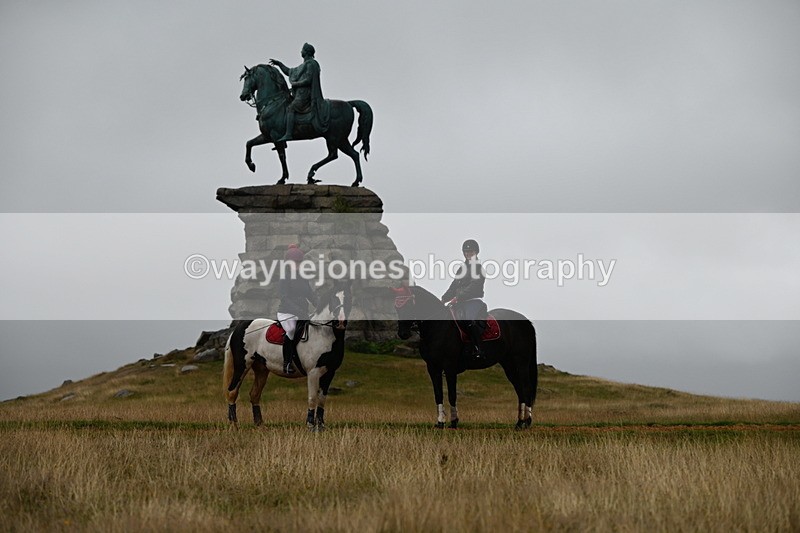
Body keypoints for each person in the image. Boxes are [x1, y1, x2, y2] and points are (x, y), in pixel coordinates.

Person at [269, 43, 330, 141]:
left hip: (306, 95)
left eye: (302, 50)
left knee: (291, 108)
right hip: (299, 94)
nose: (301, 51)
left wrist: (296, 84)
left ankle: (288, 134)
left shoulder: (312, 64)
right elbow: (289, 72)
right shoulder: (303, 66)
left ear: (306, 52)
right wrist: (279, 64)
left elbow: (308, 80)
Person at [441, 239, 488, 359]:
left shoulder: (478, 268)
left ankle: (479, 349)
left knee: (469, 321)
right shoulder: (461, 269)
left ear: (476, 252)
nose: (468, 254)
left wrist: (457, 298)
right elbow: (454, 286)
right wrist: (444, 298)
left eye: (471, 251)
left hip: (473, 301)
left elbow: (474, 286)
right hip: (459, 302)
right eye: (466, 251)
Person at [277, 244, 318, 374]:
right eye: (295, 262)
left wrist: (321, 305)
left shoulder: (303, 278)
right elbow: (284, 298)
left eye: (300, 262)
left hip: (302, 313)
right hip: (286, 312)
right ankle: (287, 362)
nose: (298, 264)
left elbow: (310, 295)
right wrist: (297, 310)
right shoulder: (284, 278)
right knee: (291, 330)